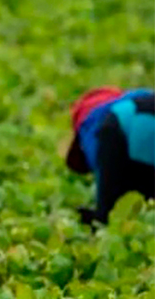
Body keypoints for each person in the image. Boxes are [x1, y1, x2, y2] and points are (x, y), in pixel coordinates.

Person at [64, 87, 154, 225]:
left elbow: (109, 178)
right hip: (145, 111)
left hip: (125, 121)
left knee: (107, 218)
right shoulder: (137, 96)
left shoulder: (90, 126)